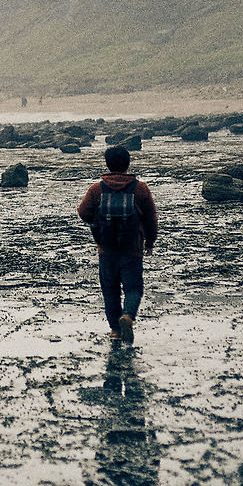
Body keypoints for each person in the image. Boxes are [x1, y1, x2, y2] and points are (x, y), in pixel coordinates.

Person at [77, 145, 158, 343]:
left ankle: (115, 330)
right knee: (133, 288)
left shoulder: (97, 189)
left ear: (107, 164)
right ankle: (128, 315)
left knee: (110, 289)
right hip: (133, 249)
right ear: (128, 164)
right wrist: (150, 241)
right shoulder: (140, 188)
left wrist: (98, 222)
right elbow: (151, 218)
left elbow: (83, 212)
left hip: (106, 249)